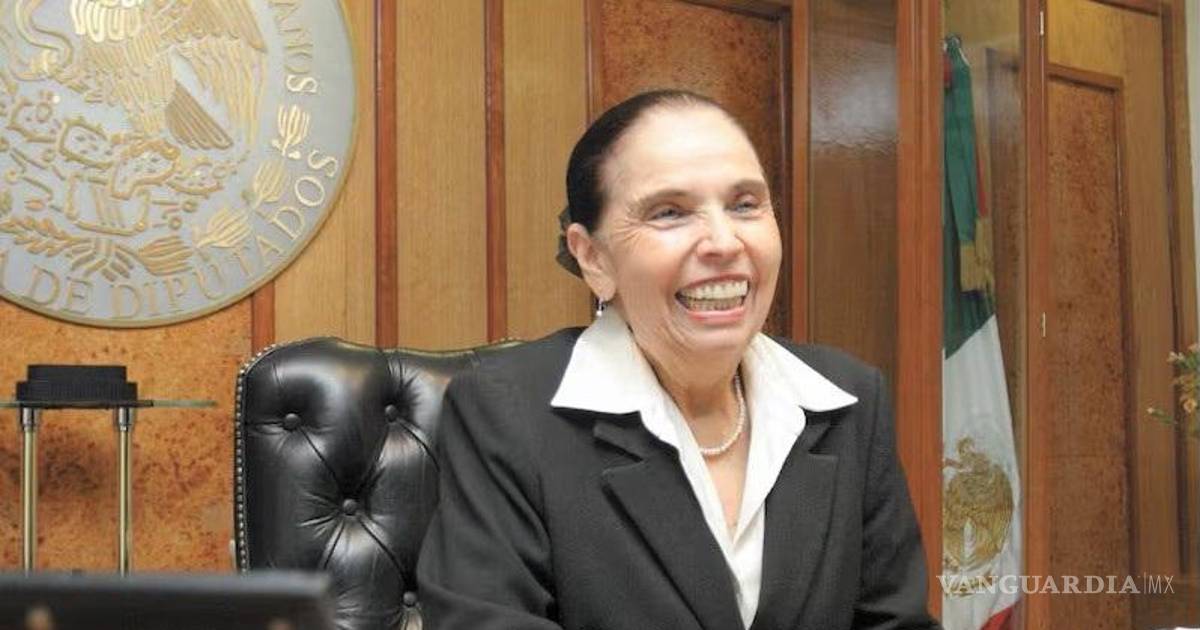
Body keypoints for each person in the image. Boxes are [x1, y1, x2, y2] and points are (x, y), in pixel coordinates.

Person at [416, 89, 940, 630]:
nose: (723, 242)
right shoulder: (507, 413)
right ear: (593, 258)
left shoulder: (850, 401)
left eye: (745, 205)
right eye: (669, 213)